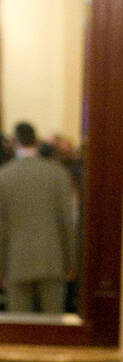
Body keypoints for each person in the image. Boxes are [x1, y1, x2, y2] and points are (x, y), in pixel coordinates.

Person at [0, 122, 75, 313]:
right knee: (53, 329)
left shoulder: (4, 177)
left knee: (19, 330)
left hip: (16, 261)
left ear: (15, 142)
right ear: (37, 141)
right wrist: (71, 261)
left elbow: (2, 227)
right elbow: (67, 222)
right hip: (52, 259)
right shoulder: (57, 174)